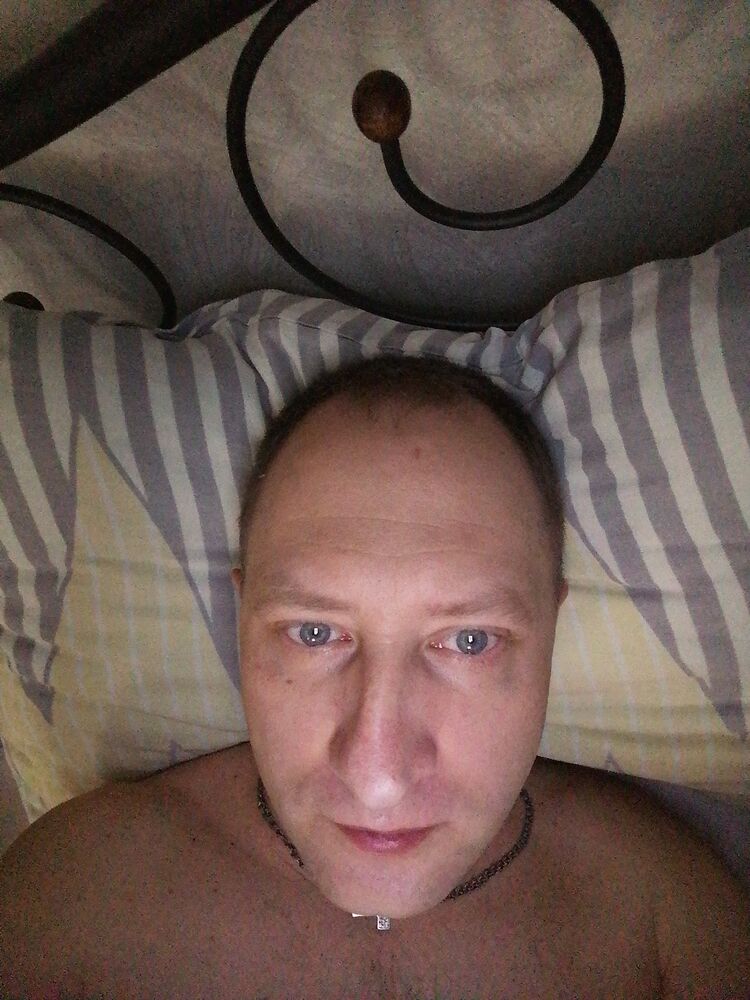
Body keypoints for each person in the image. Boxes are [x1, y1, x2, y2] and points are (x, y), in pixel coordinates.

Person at [0, 355, 748, 1000]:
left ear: (552, 633)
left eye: (470, 640)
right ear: (240, 617)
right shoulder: (76, 895)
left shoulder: (657, 906)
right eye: (313, 632)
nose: (378, 777)